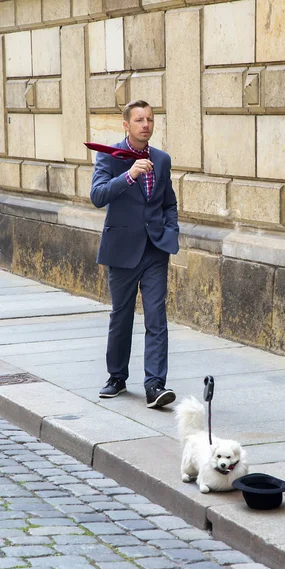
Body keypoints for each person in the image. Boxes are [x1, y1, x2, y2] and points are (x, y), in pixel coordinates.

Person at [90, 100, 179, 408]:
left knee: (157, 318)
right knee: (121, 316)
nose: (146, 124)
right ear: (126, 125)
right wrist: (128, 175)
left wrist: (171, 232)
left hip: (155, 250)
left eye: (150, 119)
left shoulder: (162, 159)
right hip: (122, 250)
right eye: (139, 119)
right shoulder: (109, 156)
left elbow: (169, 202)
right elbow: (97, 196)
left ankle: (155, 385)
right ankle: (116, 377)